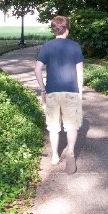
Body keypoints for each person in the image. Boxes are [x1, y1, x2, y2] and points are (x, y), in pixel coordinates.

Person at [34, 16, 84, 174]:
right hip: (71, 91)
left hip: (52, 91)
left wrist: (43, 89)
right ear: (67, 29)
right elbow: (79, 71)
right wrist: (80, 92)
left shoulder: (47, 47)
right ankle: (70, 151)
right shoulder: (75, 46)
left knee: (53, 127)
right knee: (71, 125)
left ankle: (55, 156)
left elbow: (37, 70)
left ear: (53, 29)